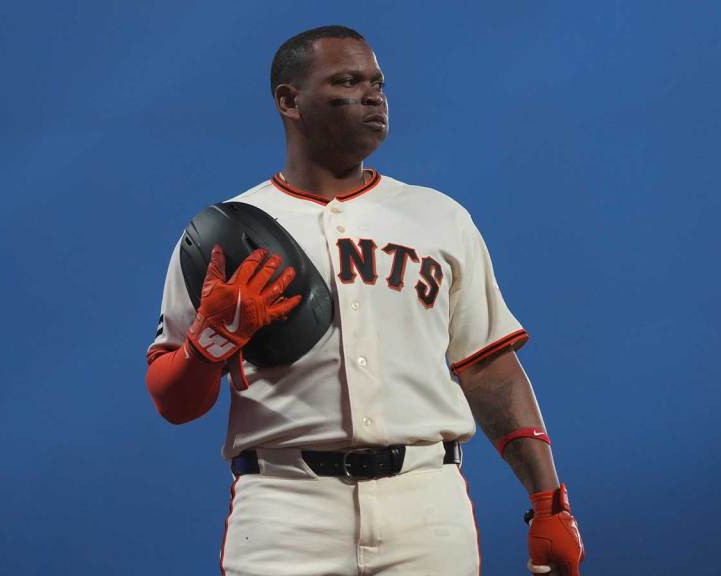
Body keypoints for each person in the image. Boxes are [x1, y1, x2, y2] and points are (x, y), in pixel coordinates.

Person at [145, 25, 584, 576]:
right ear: (289, 100)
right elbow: (173, 402)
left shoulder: (438, 217)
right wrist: (208, 344)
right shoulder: (225, 237)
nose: (373, 96)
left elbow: (489, 367)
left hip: (424, 503)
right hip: (287, 509)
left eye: (377, 83)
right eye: (347, 81)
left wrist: (548, 502)